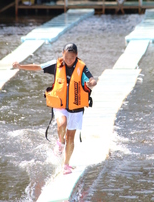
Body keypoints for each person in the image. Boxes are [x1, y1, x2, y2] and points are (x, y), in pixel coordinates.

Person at [12, 43, 97, 175]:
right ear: (62, 54)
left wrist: (92, 82)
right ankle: (60, 142)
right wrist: (20, 66)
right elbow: (38, 67)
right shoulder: (56, 65)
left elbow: (91, 79)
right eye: (66, 57)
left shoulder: (82, 67)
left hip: (76, 107)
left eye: (72, 57)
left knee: (71, 137)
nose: (69, 60)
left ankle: (66, 164)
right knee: (62, 124)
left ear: (76, 56)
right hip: (60, 105)